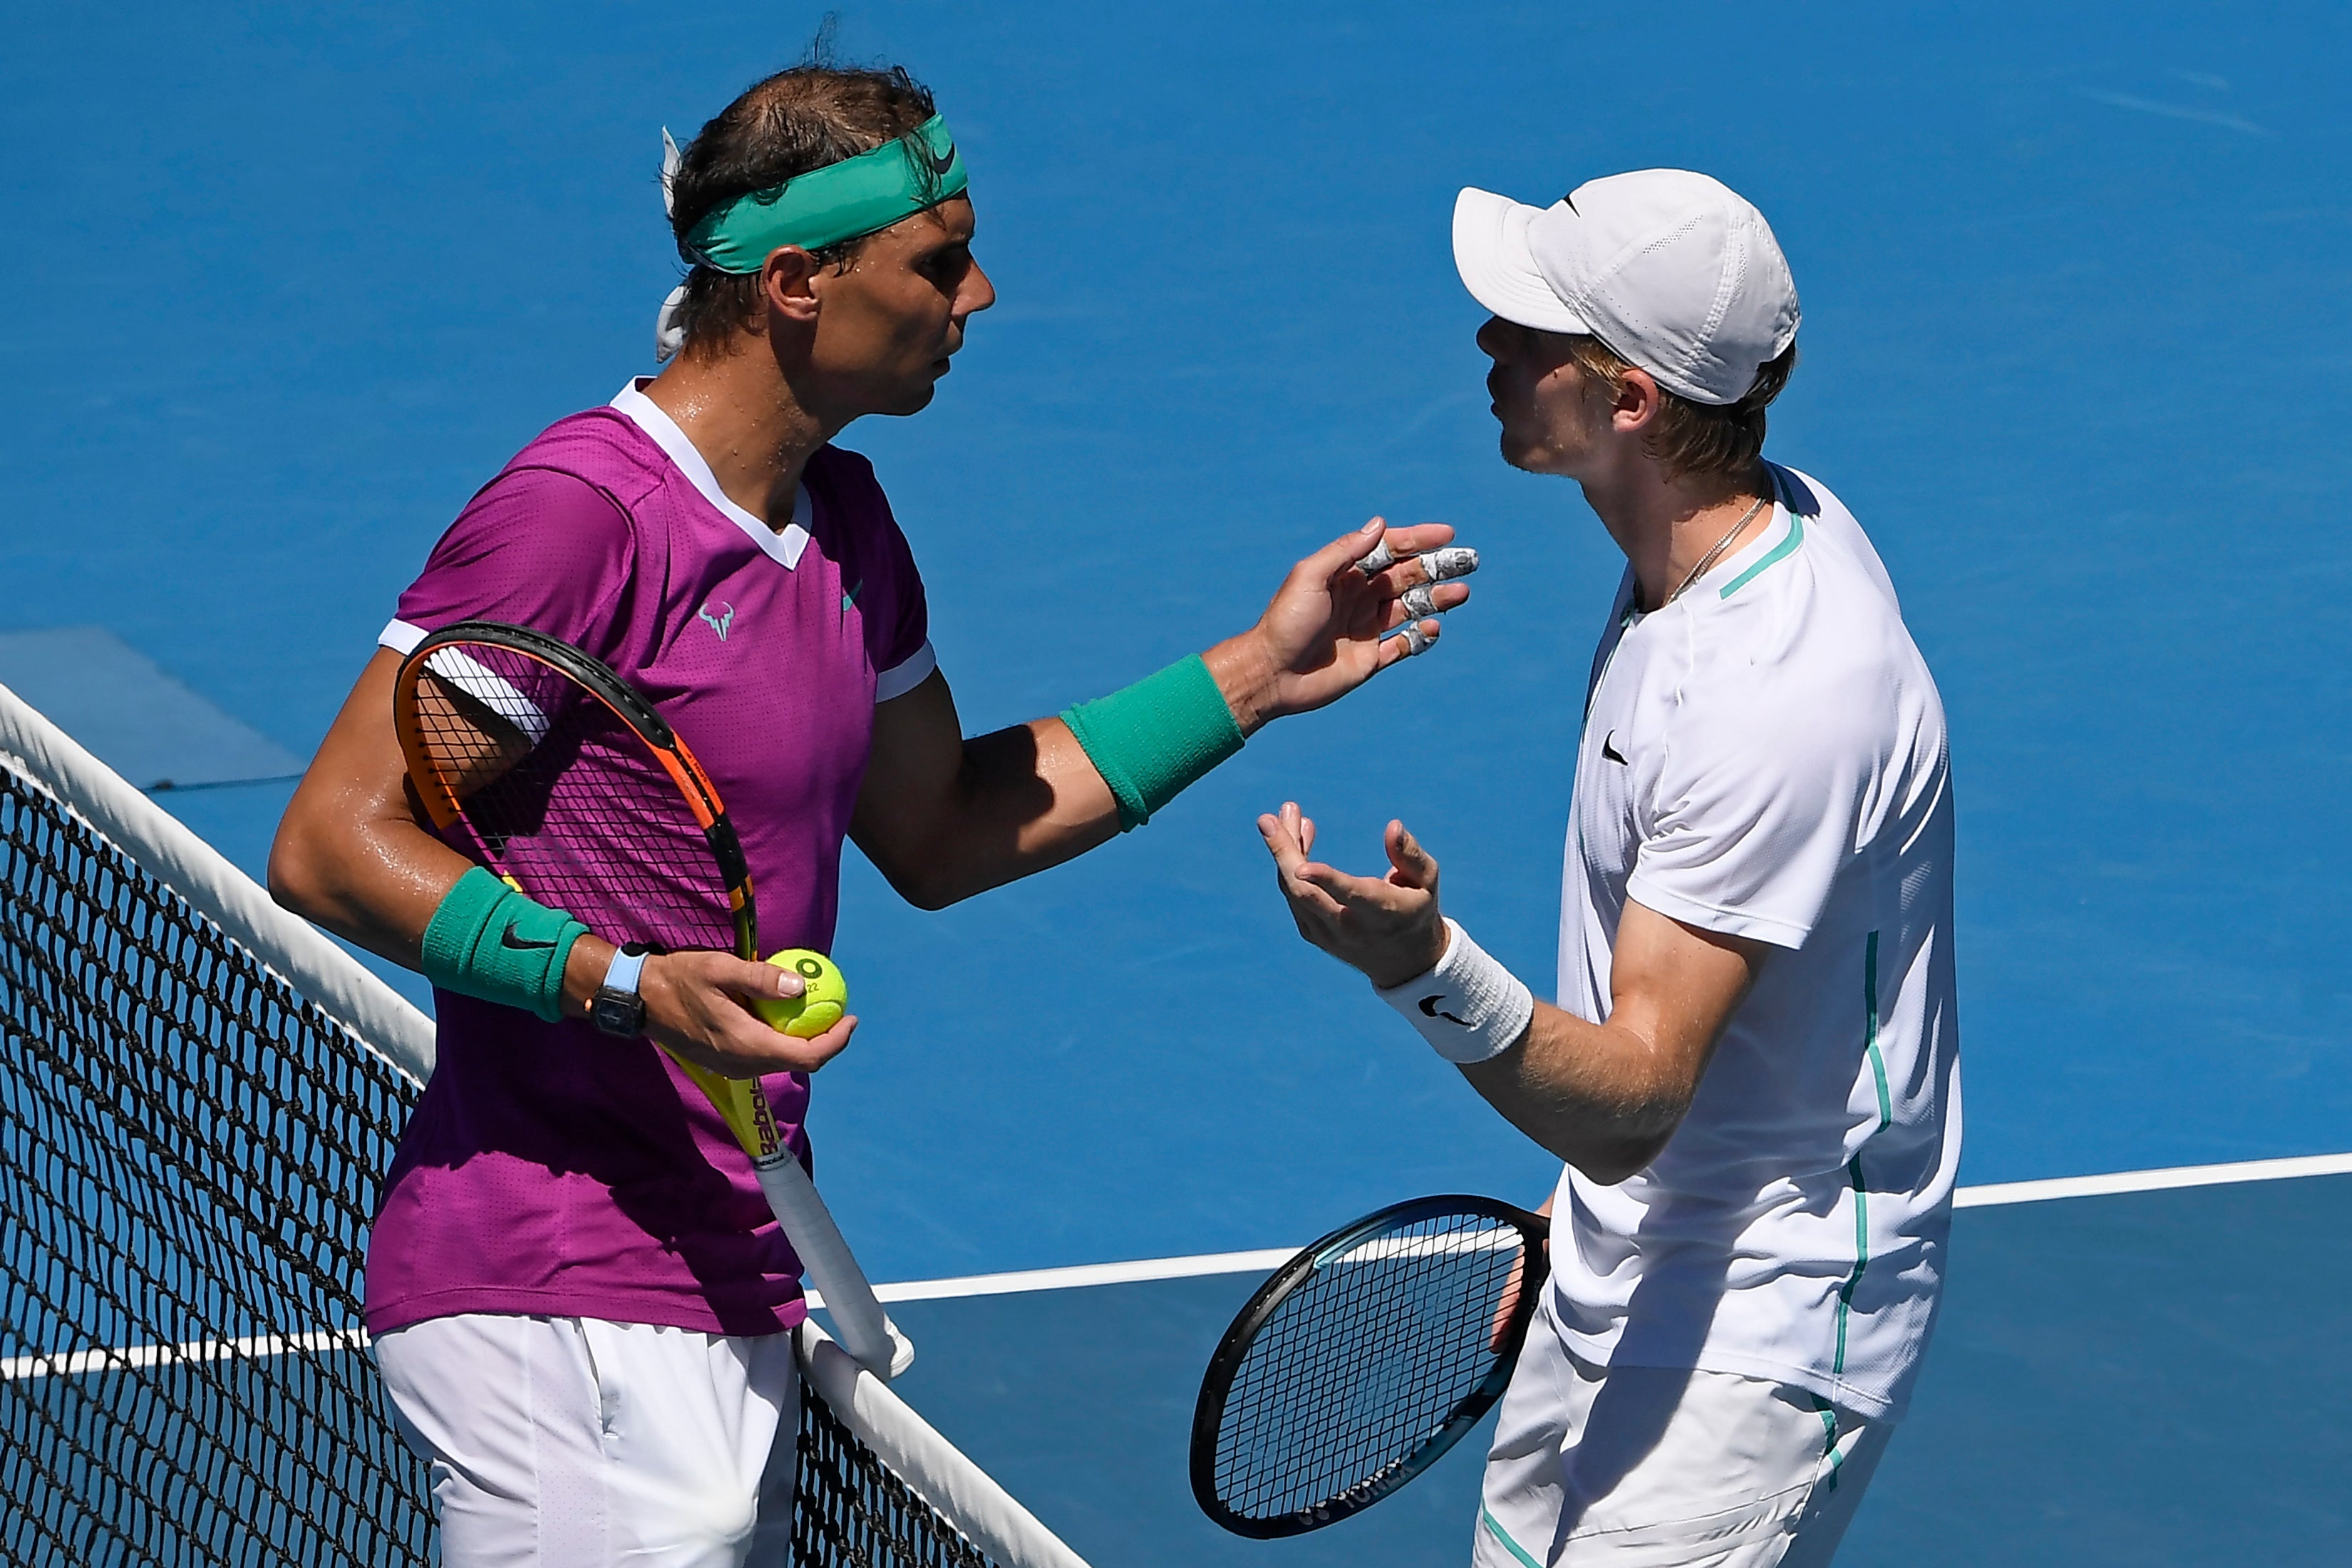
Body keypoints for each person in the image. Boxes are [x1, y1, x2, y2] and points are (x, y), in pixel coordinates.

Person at [267, 58, 1474, 1568]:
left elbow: (946, 824)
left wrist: (1255, 673)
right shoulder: (582, 521)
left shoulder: (845, 529)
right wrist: (627, 986)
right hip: (549, 1280)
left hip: (736, 1262)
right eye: (938, 258)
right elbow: (335, 835)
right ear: (793, 281)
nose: (980, 297)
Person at [1258, 169, 1959, 1567]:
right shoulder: (1699, 555)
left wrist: (1425, 970)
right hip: (1618, 1254)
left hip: (1762, 1318)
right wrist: (1577, 1215)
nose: (1486, 347)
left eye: (1528, 329)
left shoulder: (1774, 686)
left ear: (1629, 398)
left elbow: (1635, 1096)